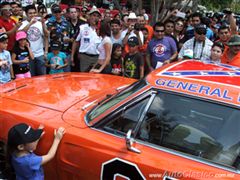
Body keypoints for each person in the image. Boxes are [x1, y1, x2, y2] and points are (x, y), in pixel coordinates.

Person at [19, 4, 49, 76]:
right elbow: (21, 34)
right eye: (30, 13)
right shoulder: (23, 24)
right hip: (28, 54)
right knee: (31, 76)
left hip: (40, 54)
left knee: (42, 76)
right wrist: (30, 23)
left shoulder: (40, 23)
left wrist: (46, 51)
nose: (32, 15)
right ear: (26, 14)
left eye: (34, 13)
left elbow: (46, 36)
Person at [71, 7, 101, 72]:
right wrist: (72, 56)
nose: (95, 18)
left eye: (97, 16)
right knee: (84, 77)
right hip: (85, 56)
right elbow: (76, 41)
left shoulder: (101, 29)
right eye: (94, 15)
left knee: (96, 78)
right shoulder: (82, 27)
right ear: (89, 16)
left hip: (97, 57)